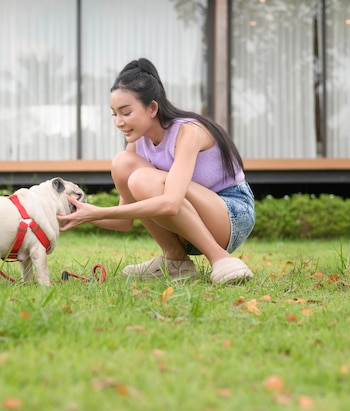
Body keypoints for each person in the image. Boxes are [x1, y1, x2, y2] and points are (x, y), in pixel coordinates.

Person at [58, 58, 255, 284]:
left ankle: (220, 258)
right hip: (188, 224)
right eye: (114, 114)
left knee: (143, 179)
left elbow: (171, 203)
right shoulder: (137, 144)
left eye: (125, 112)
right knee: (122, 164)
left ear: (152, 108)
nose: (118, 122)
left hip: (231, 215)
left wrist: (98, 213)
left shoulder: (189, 131)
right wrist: (79, 214)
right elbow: (125, 221)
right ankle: (175, 261)